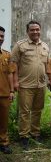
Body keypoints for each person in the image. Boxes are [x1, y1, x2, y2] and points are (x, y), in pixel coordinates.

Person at [10, 20, 49, 150]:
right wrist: (15, 82)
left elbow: (46, 65)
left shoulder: (45, 46)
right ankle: (24, 136)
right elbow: (13, 64)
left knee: (37, 110)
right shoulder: (20, 45)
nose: (35, 32)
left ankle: (35, 133)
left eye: (37, 29)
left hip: (41, 85)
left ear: (40, 30)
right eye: (32, 30)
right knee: (25, 112)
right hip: (25, 85)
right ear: (27, 31)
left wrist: (48, 82)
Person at [0, 26, 15, 154]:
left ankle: (4, 143)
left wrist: (11, 91)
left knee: (3, 121)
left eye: (2, 36)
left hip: (4, 94)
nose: (0, 38)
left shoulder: (7, 55)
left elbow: (10, 73)